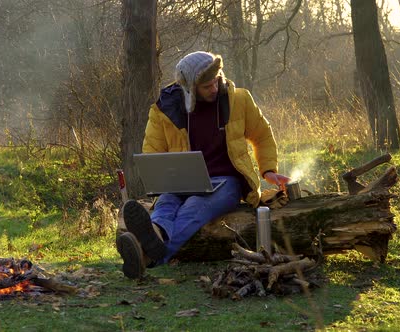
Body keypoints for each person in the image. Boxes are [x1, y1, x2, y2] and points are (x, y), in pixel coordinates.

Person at [116, 51, 290, 279]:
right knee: (166, 202)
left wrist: (268, 170)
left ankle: (148, 254)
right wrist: (163, 177)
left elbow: (262, 135)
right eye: (207, 86)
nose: (215, 89)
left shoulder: (239, 100)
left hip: (226, 182)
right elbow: (152, 155)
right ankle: (152, 241)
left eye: (216, 81)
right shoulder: (164, 109)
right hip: (181, 182)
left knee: (194, 207)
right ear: (189, 88)